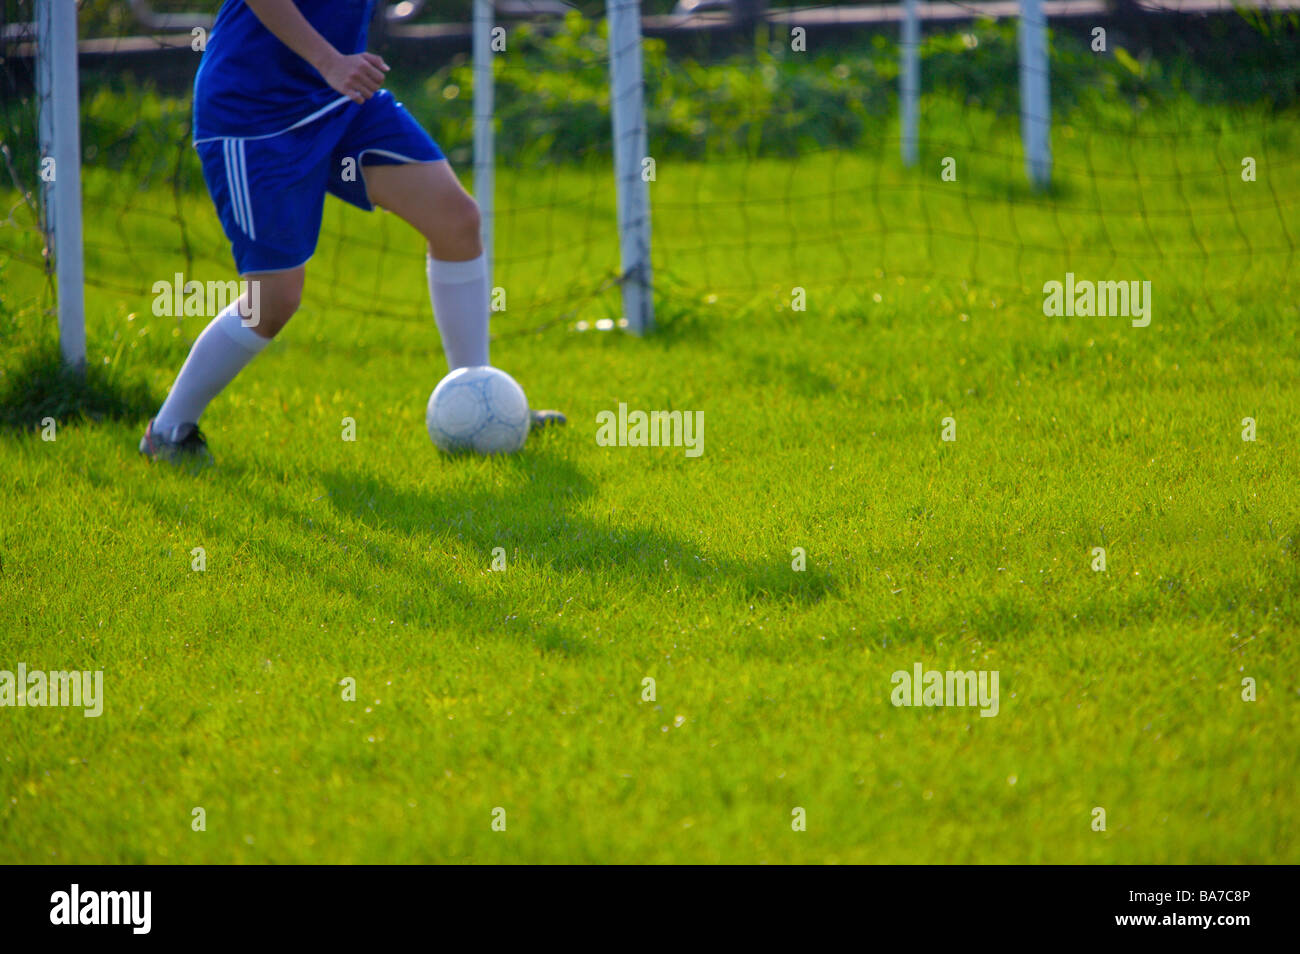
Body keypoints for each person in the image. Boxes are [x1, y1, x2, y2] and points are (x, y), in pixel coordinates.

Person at [140, 0, 563, 464]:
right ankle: (167, 432)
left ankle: (476, 396)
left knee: (456, 220)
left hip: (340, 100)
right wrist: (329, 62)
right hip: (254, 115)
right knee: (273, 300)